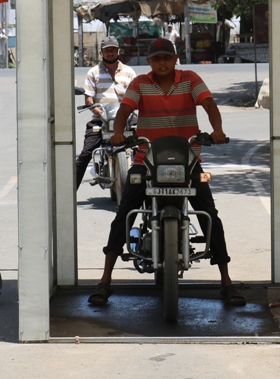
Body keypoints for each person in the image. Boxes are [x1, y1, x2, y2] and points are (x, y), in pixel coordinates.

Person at [87, 38, 243, 307]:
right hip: (145, 159)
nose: (161, 62)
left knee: (210, 214)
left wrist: (217, 130)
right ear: (149, 62)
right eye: (156, 58)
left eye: (166, 58)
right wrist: (119, 133)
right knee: (125, 213)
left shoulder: (190, 79)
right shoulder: (140, 84)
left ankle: (226, 282)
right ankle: (105, 280)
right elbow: (124, 110)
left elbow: (209, 105)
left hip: (189, 161)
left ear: (175, 59)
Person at [75, 36, 136, 188]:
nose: (110, 53)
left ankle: (149, 191)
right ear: (101, 52)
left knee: (146, 147)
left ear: (118, 51)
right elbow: (88, 99)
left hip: (127, 118)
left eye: (113, 50)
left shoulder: (129, 72)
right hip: (101, 118)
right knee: (85, 154)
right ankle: (68, 195)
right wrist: (99, 113)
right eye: (107, 50)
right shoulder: (93, 72)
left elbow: (136, 95)